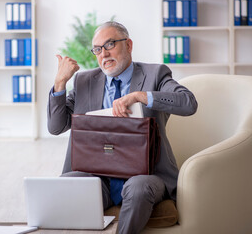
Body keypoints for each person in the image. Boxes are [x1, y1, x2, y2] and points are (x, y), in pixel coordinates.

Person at [47, 21, 198, 234]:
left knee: (137, 188)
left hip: (146, 175)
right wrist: (60, 83)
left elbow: (188, 103)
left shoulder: (155, 74)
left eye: (110, 45)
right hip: (99, 178)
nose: (104, 54)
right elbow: (56, 127)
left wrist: (140, 96)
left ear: (128, 45)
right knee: (67, 183)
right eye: (97, 49)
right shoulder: (84, 81)